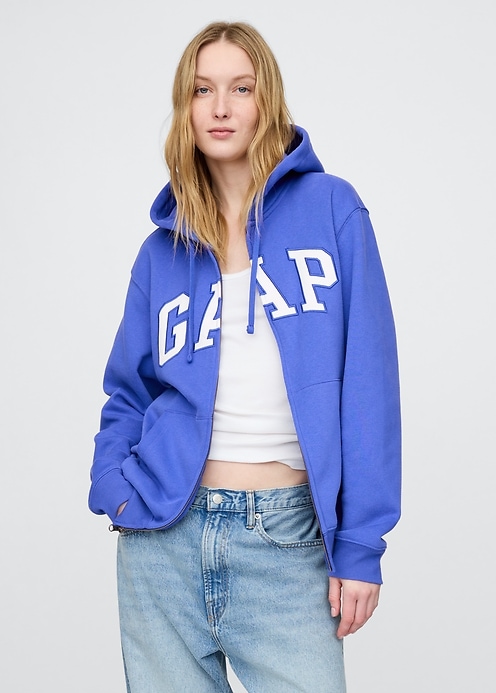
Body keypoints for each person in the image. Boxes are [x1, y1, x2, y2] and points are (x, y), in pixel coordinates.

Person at [89, 20, 401, 693]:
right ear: (186, 108)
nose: (221, 107)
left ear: (268, 101)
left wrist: (360, 545)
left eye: (241, 88)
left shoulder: (332, 209)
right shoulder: (161, 252)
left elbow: (369, 383)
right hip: (164, 540)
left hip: (286, 538)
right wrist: (114, 486)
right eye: (203, 90)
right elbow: (129, 392)